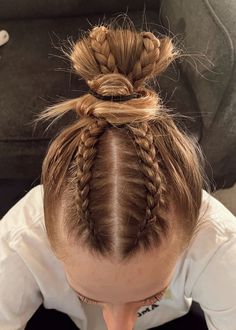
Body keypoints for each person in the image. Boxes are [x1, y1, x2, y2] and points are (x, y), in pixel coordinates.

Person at [0, 18, 236, 330]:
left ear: (192, 233)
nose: (118, 327)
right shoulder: (17, 246)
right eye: (89, 297)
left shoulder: (221, 245)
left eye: (153, 295)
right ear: (48, 239)